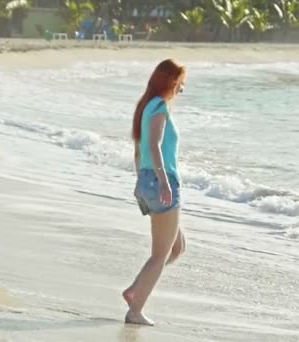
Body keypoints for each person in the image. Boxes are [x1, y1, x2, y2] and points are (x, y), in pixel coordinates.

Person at [122, 59, 187, 326]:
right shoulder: (159, 107)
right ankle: (135, 310)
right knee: (160, 255)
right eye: (181, 84)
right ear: (171, 82)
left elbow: (139, 151)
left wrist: (143, 179)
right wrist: (162, 182)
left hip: (147, 180)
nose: (182, 89)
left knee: (178, 247)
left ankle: (135, 288)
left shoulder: (145, 107)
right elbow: (155, 146)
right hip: (161, 181)